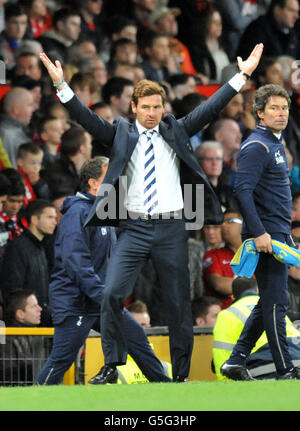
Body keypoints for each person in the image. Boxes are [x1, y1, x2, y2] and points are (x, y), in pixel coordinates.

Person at [39, 42, 263, 383]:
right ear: (133, 107)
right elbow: (85, 118)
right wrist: (61, 86)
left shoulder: (177, 129)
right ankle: (111, 367)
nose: (152, 113)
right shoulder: (120, 135)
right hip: (133, 226)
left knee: (178, 305)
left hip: (172, 226)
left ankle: (181, 377)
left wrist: (242, 75)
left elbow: (211, 108)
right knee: (112, 294)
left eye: (157, 107)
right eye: (145, 107)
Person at [37, 157, 171, 385]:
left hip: (99, 300)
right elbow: (75, 262)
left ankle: (167, 388)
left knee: (136, 337)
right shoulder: (77, 214)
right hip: (75, 301)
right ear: (94, 184)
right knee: (62, 358)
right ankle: (34, 400)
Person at [221, 83, 300, 380]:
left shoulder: (275, 143)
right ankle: (285, 370)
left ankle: (236, 360)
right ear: (260, 114)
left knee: (269, 300)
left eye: (285, 108)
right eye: (274, 108)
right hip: (266, 236)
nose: (281, 113)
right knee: (277, 302)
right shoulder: (257, 145)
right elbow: (241, 190)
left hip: (277, 233)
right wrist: (259, 233)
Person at [214, 277, 300, 380]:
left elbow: (223, 354)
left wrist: (227, 381)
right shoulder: (272, 306)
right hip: (294, 359)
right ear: (258, 290)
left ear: (232, 297)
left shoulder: (227, 314)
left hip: (261, 365)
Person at [0, 199, 57, 326]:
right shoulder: (18, 247)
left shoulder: (41, 248)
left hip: (38, 320)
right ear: (35, 220)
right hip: (21, 325)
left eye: (55, 217)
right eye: (49, 217)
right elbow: (12, 289)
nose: (54, 222)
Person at [0, 290, 44, 386]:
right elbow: (9, 376)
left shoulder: (38, 336)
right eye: (34, 306)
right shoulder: (7, 340)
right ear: (20, 314)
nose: (40, 309)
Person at [203, 209, 243, 309]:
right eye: (222, 222)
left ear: (244, 225)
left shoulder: (256, 254)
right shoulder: (213, 255)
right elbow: (219, 285)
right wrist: (255, 286)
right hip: (225, 317)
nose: (223, 225)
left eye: (230, 221)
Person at [0, 87, 35, 168]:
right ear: (16, 110)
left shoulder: (15, 131)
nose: (33, 109)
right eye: (30, 105)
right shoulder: (9, 137)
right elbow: (13, 173)